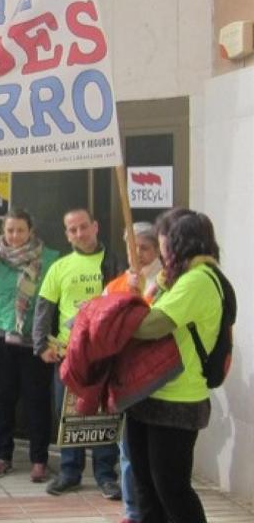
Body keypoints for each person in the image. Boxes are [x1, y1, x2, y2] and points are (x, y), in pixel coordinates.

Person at [124, 209, 224, 523]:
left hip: (177, 400)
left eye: (162, 239)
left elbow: (152, 325)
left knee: (172, 489)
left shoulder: (198, 281)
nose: (160, 246)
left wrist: (123, 311)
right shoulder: (177, 278)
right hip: (148, 393)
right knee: (146, 487)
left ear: (178, 241)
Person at [34, 208, 122, 499]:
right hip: (68, 354)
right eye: (72, 230)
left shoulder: (114, 263)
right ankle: (69, 472)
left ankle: (105, 475)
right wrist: (41, 345)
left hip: (105, 354)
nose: (79, 234)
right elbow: (44, 307)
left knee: (104, 414)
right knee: (67, 414)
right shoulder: (59, 266)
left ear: (95, 226)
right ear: (66, 234)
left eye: (84, 227)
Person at [0, 209, 59, 482]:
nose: (15, 236)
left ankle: (39, 460)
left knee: (37, 402)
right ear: (2, 231)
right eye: (10, 230)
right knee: (0, 400)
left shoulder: (50, 259)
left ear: (30, 230)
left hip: (34, 341)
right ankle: (2, 456)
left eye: (20, 230)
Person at [101, 222, 161, 523]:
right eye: (131, 248)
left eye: (145, 248)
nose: (137, 255)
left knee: (158, 456)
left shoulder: (169, 281)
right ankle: (132, 511)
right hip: (127, 377)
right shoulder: (116, 284)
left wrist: (142, 296)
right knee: (128, 449)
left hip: (160, 379)